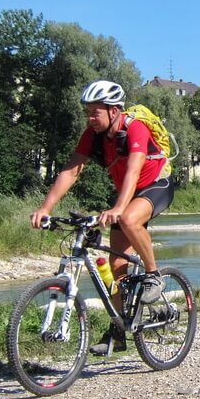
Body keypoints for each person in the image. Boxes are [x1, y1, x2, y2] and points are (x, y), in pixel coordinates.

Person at [31, 80, 174, 356]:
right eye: (87, 111)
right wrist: (45, 208)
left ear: (114, 110)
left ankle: (154, 276)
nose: (90, 118)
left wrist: (118, 208)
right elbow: (71, 171)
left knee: (130, 219)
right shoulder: (93, 134)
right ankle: (118, 330)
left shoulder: (135, 128)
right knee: (116, 264)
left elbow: (133, 170)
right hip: (128, 194)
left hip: (156, 186)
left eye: (95, 112)